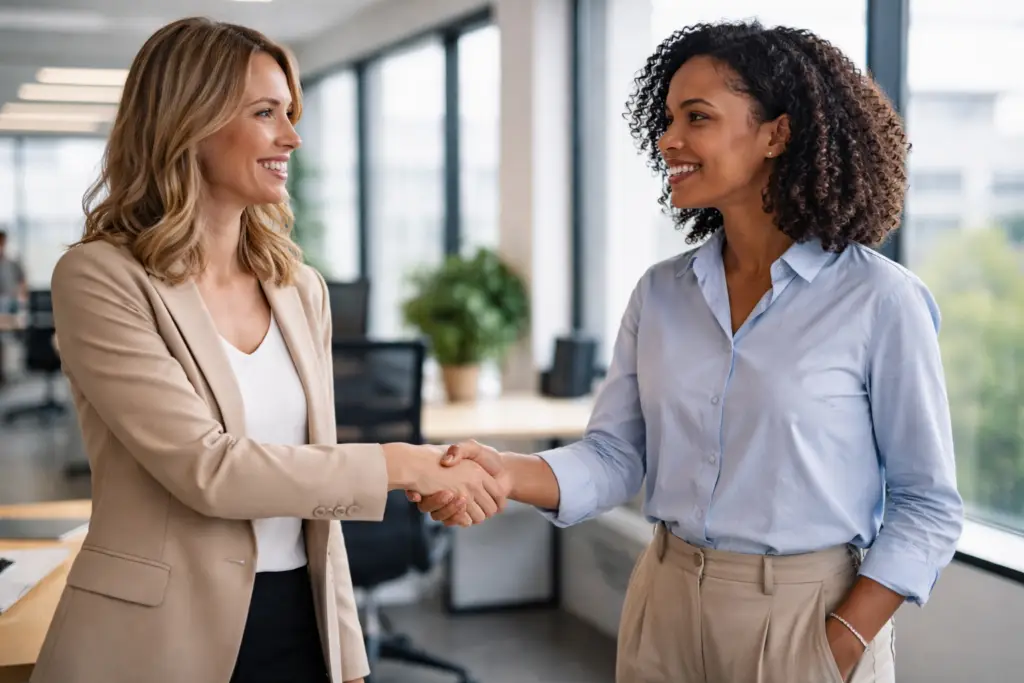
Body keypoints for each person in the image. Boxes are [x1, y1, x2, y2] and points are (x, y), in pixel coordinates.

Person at [411, 20, 964, 683]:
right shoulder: (661, 293)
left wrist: (838, 641)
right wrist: (504, 472)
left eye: (696, 117)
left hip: (807, 617)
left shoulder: (881, 300)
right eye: (669, 117)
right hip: (665, 603)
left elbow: (927, 503)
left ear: (776, 134)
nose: (668, 139)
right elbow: (616, 455)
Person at [33, 17, 501, 683]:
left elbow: (315, 488)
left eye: (289, 113)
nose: (291, 136)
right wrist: (405, 464)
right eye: (265, 113)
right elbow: (208, 468)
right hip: (159, 634)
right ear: (189, 122)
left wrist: (348, 653)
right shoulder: (100, 278)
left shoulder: (298, 287)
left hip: (301, 620)